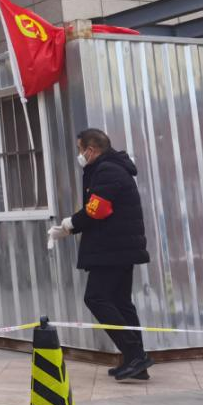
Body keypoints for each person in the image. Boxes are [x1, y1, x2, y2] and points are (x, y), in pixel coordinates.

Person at [49, 128, 152, 381]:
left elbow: (97, 209)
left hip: (112, 248)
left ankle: (135, 355)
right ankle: (136, 361)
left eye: (80, 149)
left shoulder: (107, 170)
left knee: (96, 298)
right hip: (119, 247)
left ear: (91, 150)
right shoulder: (110, 168)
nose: (79, 154)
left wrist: (68, 225)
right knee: (120, 301)